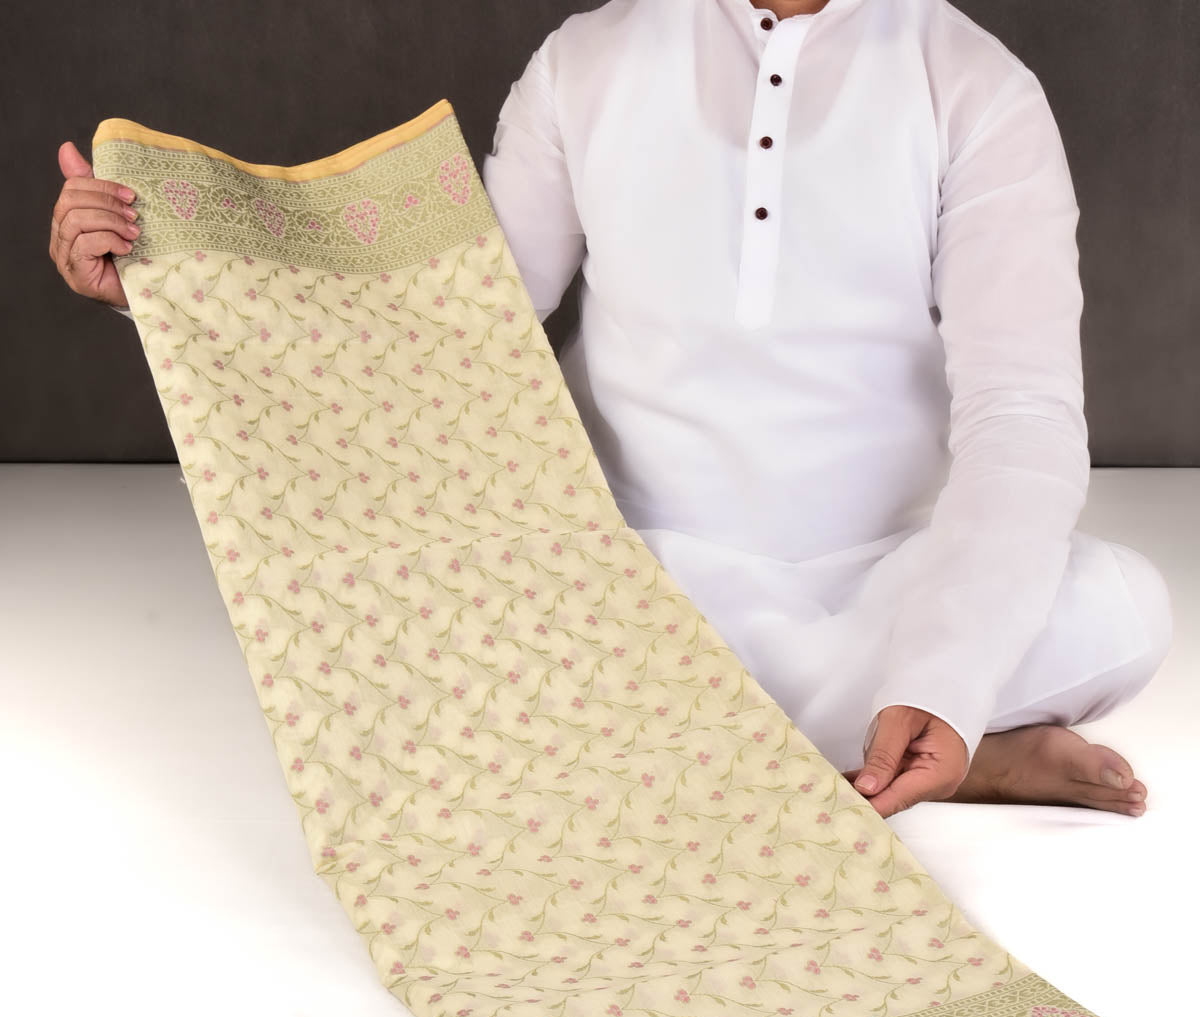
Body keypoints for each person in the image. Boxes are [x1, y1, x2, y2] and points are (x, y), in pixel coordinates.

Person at [50, 0, 1172, 819]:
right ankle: (942, 750)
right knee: (413, 598)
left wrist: (942, 670)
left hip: (888, 581)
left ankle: (826, 726)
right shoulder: (587, 61)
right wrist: (162, 287)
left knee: (1124, 609)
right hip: (621, 581)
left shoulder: (976, 87)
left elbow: (1023, 415)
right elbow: (439, 333)